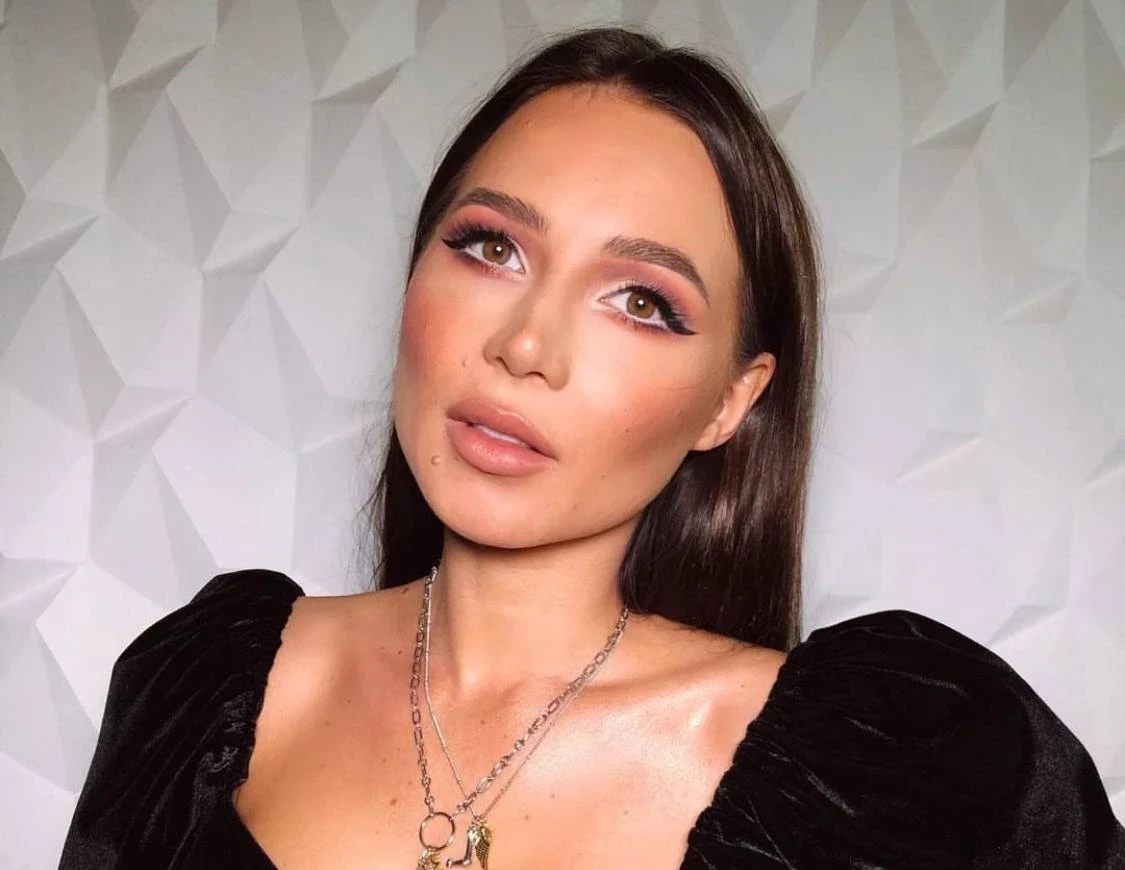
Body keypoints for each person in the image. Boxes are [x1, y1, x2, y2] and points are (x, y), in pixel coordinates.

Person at [59, 25, 1124, 870]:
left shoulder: (902, 768)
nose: (525, 345)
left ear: (731, 404)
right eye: (491, 247)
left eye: (641, 302)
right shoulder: (200, 688)